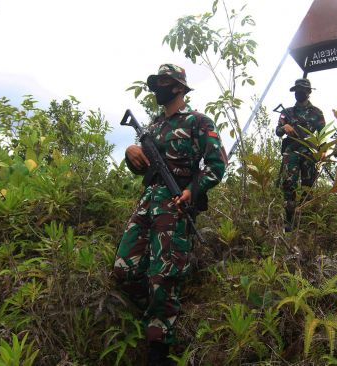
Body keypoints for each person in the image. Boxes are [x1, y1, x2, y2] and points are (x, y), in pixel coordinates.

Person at [113, 64, 227, 366]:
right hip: (148, 200)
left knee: (163, 275)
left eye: (163, 83)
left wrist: (194, 190)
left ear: (178, 87)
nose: (157, 88)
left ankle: (158, 346)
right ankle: (155, 312)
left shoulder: (198, 121)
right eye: (156, 83)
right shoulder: (151, 127)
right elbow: (140, 166)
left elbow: (217, 166)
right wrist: (131, 153)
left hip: (176, 204)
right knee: (123, 268)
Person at [275, 78, 325, 232]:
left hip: (309, 154)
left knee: (308, 186)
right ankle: (289, 222)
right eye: (297, 90)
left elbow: (322, 134)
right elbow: (277, 131)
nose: (299, 93)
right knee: (289, 185)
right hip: (291, 154)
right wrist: (285, 128)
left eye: (302, 90)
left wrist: (322, 152)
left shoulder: (317, 113)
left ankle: (305, 224)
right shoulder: (287, 112)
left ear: (309, 92)